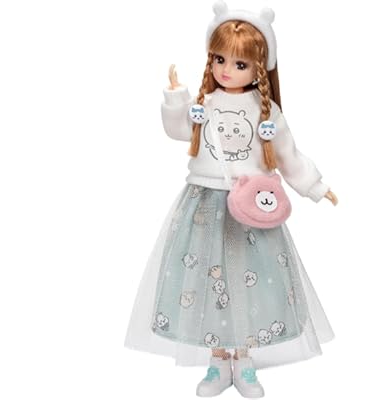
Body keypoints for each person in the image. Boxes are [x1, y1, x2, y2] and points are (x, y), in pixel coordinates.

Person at [125, 1, 338, 397]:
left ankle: (245, 359)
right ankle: (218, 360)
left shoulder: (265, 110)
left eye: (239, 64)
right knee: (208, 280)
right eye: (219, 59)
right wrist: (176, 97)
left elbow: (288, 154)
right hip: (205, 205)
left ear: (259, 68)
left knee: (249, 282)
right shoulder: (205, 103)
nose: (226, 70)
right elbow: (179, 131)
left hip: (250, 207)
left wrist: (314, 185)